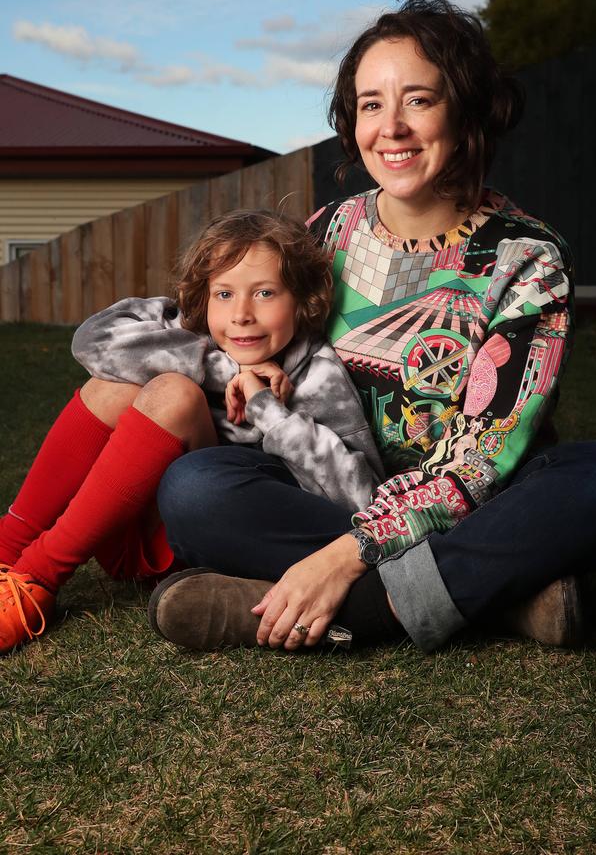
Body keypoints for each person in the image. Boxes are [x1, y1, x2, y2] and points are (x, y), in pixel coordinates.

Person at [146, 0, 596, 655]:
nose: (392, 128)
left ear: (465, 109)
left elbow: (481, 459)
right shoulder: (326, 231)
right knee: (195, 490)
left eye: (419, 99)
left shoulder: (527, 259)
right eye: (371, 105)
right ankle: (503, 600)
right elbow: (253, 315)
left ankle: (354, 608)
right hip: (331, 490)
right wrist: (250, 362)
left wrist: (347, 556)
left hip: (479, 499)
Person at [0, 211, 383, 653]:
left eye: (264, 293)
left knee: (176, 393)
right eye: (224, 293)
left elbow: (361, 499)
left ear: (301, 301)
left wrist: (264, 406)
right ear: (204, 298)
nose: (241, 314)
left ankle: (37, 578)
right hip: (121, 523)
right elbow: (92, 341)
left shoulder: (318, 376)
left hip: (200, 539)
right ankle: (9, 546)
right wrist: (229, 369)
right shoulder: (187, 327)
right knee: (110, 387)